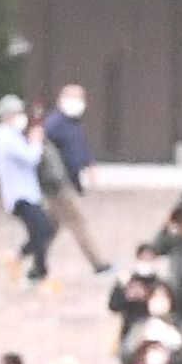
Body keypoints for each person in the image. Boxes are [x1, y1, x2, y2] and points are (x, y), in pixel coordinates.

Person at [32, 96, 110, 274]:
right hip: (56, 183)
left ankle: (36, 261)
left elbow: (80, 148)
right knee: (77, 223)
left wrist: (89, 166)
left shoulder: (74, 124)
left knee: (51, 226)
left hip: (65, 181)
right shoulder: (54, 123)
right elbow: (41, 149)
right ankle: (98, 263)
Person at [0, 95, 55, 282]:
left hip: (27, 192)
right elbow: (31, 158)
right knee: (41, 231)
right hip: (19, 195)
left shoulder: (12, 134)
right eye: (17, 113)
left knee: (43, 231)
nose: (21, 117)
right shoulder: (5, 137)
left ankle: (24, 261)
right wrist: (36, 141)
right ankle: (38, 270)